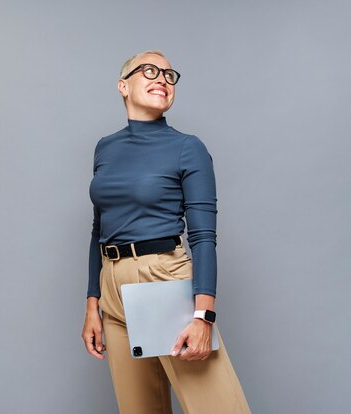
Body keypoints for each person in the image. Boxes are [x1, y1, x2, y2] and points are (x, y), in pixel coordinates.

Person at [81, 50, 251, 414]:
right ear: (123, 85)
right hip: (113, 290)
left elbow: (204, 235)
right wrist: (93, 302)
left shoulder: (187, 148)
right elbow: (99, 227)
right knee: (140, 409)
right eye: (150, 70)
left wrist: (203, 316)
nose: (162, 78)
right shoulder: (105, 148)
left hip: (163, 279)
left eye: (169, 75)